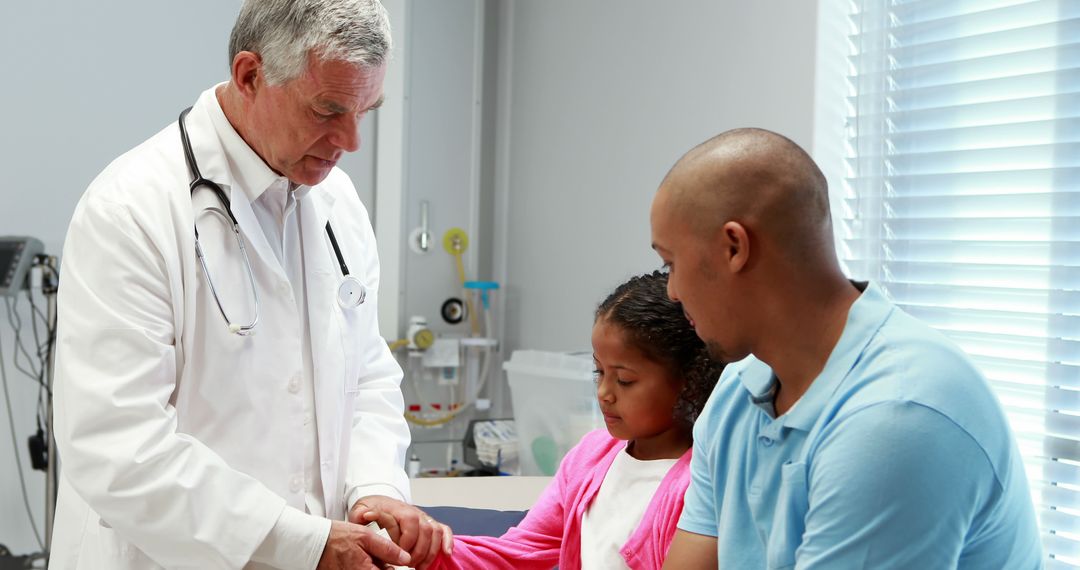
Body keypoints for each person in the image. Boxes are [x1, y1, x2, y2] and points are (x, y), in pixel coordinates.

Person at [50, 1, 451, 569]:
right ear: (250, 75)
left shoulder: (338, 204)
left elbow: (367, 373)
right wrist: (301, 542)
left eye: (367, 110)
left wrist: (374, 486)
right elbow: (119, 449)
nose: (351, 140)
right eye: (328, 110)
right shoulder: (131, 210)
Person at [651, 128, 1044, 568]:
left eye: (671, 263)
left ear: (734, 247)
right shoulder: (737, 391)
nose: (672, 291)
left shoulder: (897, 414)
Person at [411, 271, 724, 570]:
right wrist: (424, 548)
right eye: (598, 372)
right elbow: (519, 552)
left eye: (625, 380)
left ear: (689, 381)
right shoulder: (590, 456)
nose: (604, 393)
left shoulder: (698, 484)